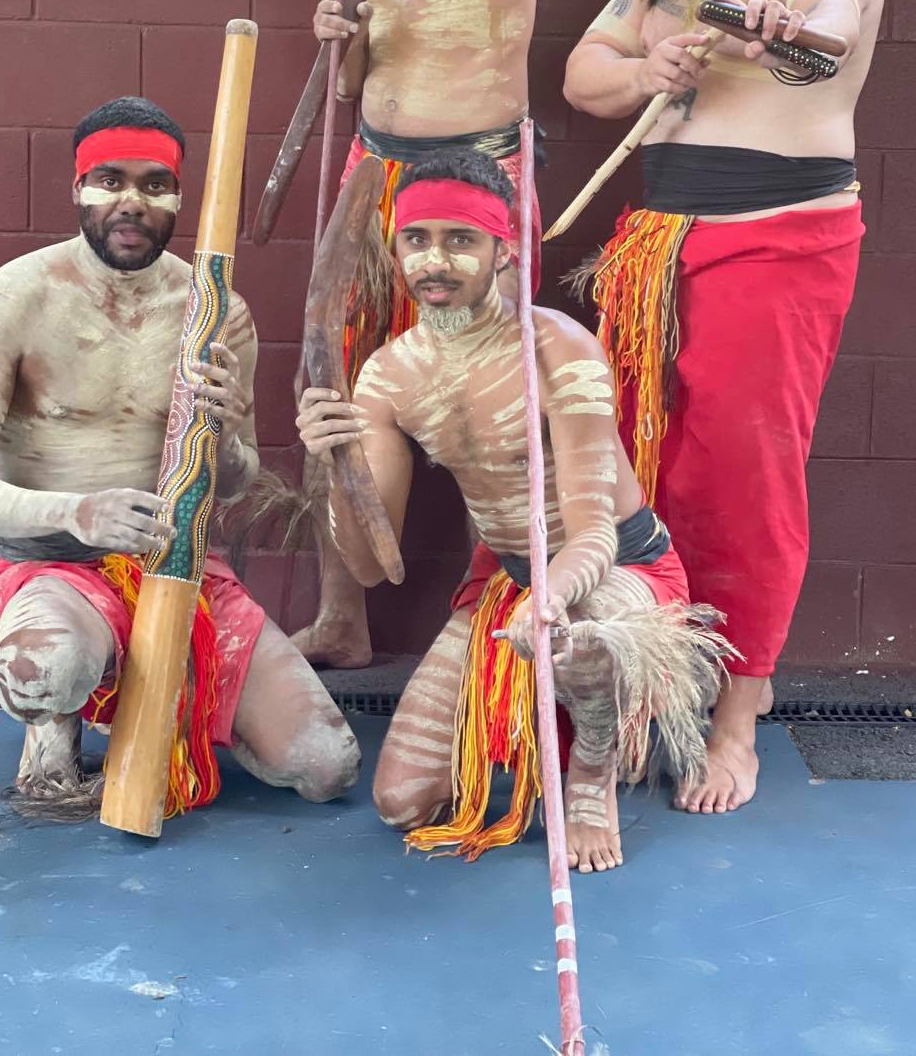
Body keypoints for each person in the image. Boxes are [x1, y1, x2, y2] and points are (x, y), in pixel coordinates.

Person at [562, 0, 885, 814]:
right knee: (640, 466)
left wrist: (783, 32)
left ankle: (741, 717)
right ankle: (660, 684)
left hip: (780, 240)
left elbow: (827, 31)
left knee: (745, 475)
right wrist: (647, 70)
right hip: (658, 244)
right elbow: (584, 72)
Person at [297, 151, 730, 872]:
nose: (435, 260)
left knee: (581, 639)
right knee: (401, 801)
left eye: (460, 239)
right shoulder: (387, 377)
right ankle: (585, 706)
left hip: (619, 570)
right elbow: (374, 568)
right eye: (417, 239)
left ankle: (592, 765)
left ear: (503, 249)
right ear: (395, 246)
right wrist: (335, 467)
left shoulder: (558, 348)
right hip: (513, 581)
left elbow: (593, 530)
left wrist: (551, 600)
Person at [0, 96, 359, 814]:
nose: (131, 201)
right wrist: (80, 512)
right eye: (109, 180)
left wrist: (221, 436)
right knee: (41, 674)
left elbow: (234, 483)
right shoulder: (13, 296)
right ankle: (57, 724)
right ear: (78, 188)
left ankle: (162, 694)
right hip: (56, 565)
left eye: (155, 185)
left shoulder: (216, 307)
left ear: (179, 197)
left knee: (325, 766)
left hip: (178, 567)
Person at [294, 0, 543, 669]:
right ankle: (342, 616)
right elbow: (356, 76)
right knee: (338, 376)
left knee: (494, 389)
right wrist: (339, 43)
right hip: (374, 162)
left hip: (478, 166)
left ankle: (499, 614)